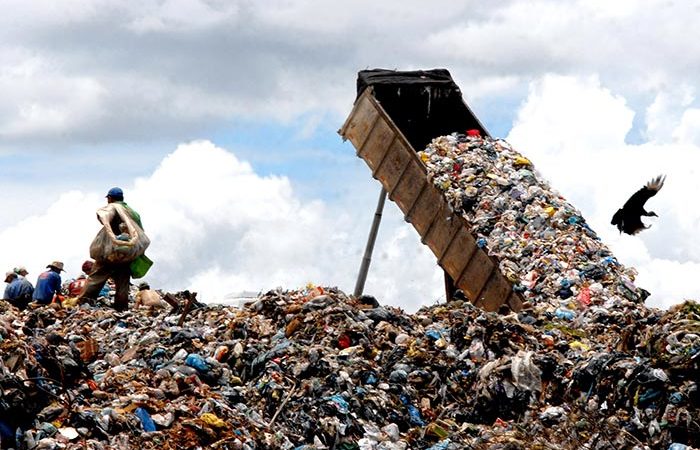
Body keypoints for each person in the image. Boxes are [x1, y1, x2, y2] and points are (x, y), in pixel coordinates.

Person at [79, 187, 146, 311]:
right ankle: (121, 308)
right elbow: (140, 232)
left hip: (111, 252)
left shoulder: (113, 207)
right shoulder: (133, 213)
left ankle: (84, 303)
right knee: (122, 281)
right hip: (127, 253)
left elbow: (103, 217)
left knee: (96, 276)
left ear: (110, 198)